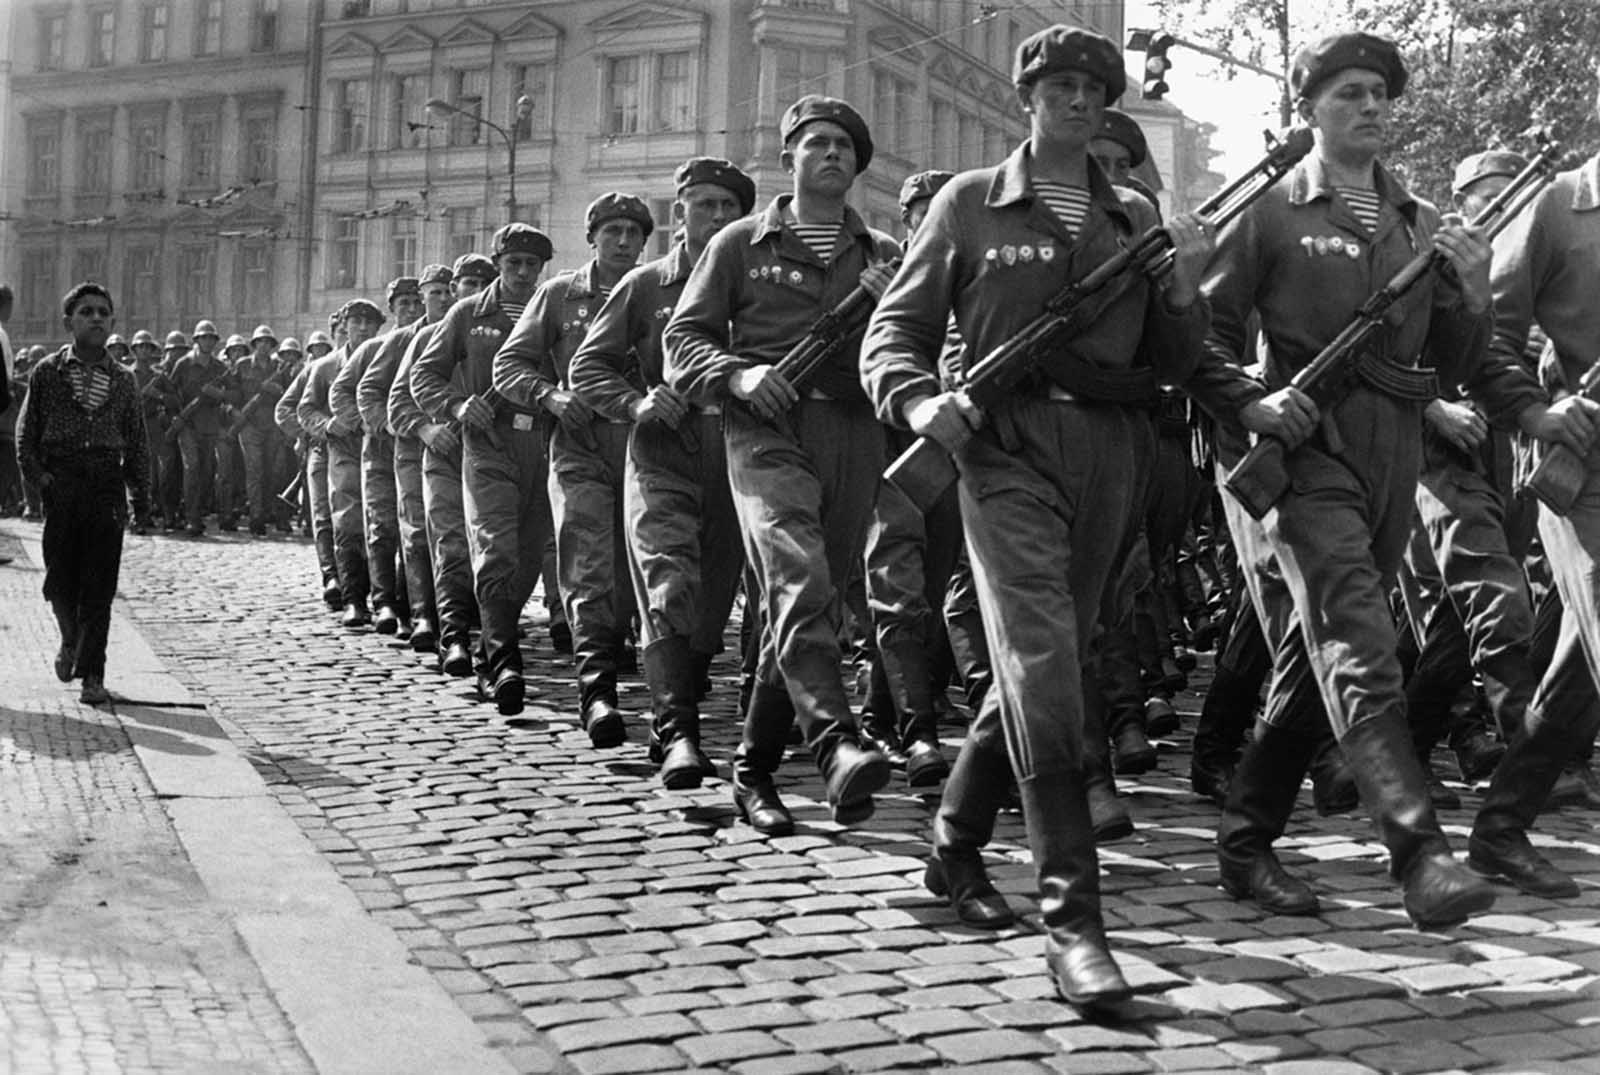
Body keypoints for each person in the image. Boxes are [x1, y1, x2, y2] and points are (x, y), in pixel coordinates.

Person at [1189, 32, 1597, 927]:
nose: (1369, 107)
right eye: (1348, 94)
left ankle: (1245, 842)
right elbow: (1201, 338)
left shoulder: (1417, 224)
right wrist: (1251, 403)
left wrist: (1476, 298)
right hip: (1298, 453)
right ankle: (1418, 853)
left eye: (1379, 93)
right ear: (1310, 110)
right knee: (1359, 636)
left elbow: (1459, 361)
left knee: (1316, 654)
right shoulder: (1268, 214)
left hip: (1391, 451)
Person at [860, 25, 1213, 1006]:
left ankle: (956, 846)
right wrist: (915, 399)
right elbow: (897, 326)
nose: (1074, 102)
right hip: (1000, 450)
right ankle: (1074, 924)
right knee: (1049, 667)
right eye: (1055, 86)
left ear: (1106, 105)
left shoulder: (1133, 214)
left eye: (1089, 90)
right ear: (1027, 99)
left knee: (1038, 656)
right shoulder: (973, 203)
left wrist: (1181, 286)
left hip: (1111, 451)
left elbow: (1179, 356)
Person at [665, 94, 901, 832]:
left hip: (853, 428)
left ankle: (754, 767)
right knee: (798, 572)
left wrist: (893, 313)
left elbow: (917, 345)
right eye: (818, 143)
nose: (832, 155)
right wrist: (736, 375)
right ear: (790, 156)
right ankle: (834, 740)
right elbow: (684, 341)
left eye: (845, 147)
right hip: (765, 428)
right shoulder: (740, 242)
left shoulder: (884, 255)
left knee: (808, 598)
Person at [568, 159, 756, 785]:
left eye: (730, 208)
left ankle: (672, 707)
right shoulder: (647, 285)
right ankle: (679, 732)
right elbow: (589, 367)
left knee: (712, 602)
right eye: (705, 205)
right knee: (667, 584)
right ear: (680, 213)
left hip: (735, 453)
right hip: (662, 451)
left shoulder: (755, 282)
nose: (718, 218)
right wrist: (635, 402)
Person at [1483, 78, 1600, 893]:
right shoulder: (1559, 205)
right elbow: (1484, 329)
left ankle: (1501, 822)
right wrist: (1533, 408)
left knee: (1580, 663)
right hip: (1583, 463)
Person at [494, 193, 653, 745]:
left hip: (644, 445)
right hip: (580, 444)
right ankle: (597, 689)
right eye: (612, 231)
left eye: (634, 232)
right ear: (592, 238)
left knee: (635, 559)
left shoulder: (659, 289)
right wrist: (549, 396)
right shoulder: (560, 295)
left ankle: (622, 639)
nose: (624, 241)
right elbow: (508, 364)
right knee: (586, 557)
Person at [412, 224, 554, 715]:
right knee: (495, 547)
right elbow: (423, 375)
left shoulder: (551, 308)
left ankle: (495, 640)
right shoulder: (468, 314)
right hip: (487, 442)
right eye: (512, 262)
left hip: (541, 443)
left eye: (530, 265)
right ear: (498, 263)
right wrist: (454, 406)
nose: (521, 272)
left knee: (531, 554)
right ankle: (504, 660)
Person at [858, 169, 960, 789]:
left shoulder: (969, 281)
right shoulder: (872, 279)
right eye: (919, 213)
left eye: (939, 212)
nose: (928, 224)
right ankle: (918, 730)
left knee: (931, 587)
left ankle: (879, 712)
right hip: (882, 451)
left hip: (946, 459)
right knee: (895, 582)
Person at [16, 282, 150, 703]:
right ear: (67, 322)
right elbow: (26, 434)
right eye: (86, 312)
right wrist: (39, 480)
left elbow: (138, 441)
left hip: (105, 486)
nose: (96, 318)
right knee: (58, 581)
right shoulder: (46, 373)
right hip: (63, 484)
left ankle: (93, 675)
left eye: (103, 313)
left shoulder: (124, 380)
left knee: (99, 586)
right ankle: (69, 638)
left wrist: (140, 497)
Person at [396, 255, 496, 677]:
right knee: (449, 542)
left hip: (495, 455)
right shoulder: (428, 339)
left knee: (495, 552)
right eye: (465, 283)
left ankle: (493, 639)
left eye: (481, 284)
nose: (471, 291)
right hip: (444, 452)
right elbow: (398, 398)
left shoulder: (508, 333)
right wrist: (426, 431)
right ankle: (452, 638)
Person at [362, 266, 452, 654]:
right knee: (412, 530)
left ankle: (453, 615)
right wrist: (393, 426)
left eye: (444, 293)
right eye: (420, 298)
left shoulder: (461, 330)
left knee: (447, 535)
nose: (425, 305)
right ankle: (418, 614)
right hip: (411, 447)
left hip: (454, 447)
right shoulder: (400, 342)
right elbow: (369, 390)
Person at [334, 279, 422, 634]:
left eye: (417, 301)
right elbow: (343, 390)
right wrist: (372, 425)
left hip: (420, 449)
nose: (412, 309)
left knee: (415, 531)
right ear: (392, 308)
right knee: (380, 525)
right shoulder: (375, 348)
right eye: (404, 303)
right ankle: (377, 602)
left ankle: (409, 606)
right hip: (382, 450)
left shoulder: (439, 340)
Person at [301, 301, 386, 627]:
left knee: (381, 524)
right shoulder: (325, 367)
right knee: (348, 521)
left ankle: (385, 599)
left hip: (380, 450)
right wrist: (327, 425)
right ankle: (353, 599)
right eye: (356, 321)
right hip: (344, 450)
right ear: (344, 325)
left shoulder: (385, 356)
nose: (363, 328)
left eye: (370, 322)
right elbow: (305, 409)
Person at [276, 328, 342, 609]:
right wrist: (308, 433)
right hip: (323, 449)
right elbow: (284, 409)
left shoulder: (375, 358)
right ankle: (331, 577)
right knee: (324, 514)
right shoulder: (316, 369)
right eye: (343, 330)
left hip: (362, 452)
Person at [169, 319, 234, 536]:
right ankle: (191, 518)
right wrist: (175, 417)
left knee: (206, 472)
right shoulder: (184, 364)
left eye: (211, 338)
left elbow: (236, 394)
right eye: (204, 337)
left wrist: (221, 395)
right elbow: (169, 393)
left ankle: (197, 510)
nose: (208, 341)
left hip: (210, 425)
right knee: (192, 467)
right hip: (188, 425)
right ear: (196, 340)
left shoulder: (219, 368)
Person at [233, 324, 288, 536]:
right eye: (260, 342)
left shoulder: (279, 368)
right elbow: (231, 392)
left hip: (272, 425)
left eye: (268, 343)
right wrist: (233, 411)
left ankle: (268, 511)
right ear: (254, 344)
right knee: (254, 470)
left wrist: (278, 390)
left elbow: (289, 395)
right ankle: (256, 517)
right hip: (249, 425)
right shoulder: (242, 365)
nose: (264, 346)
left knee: (272, 471)